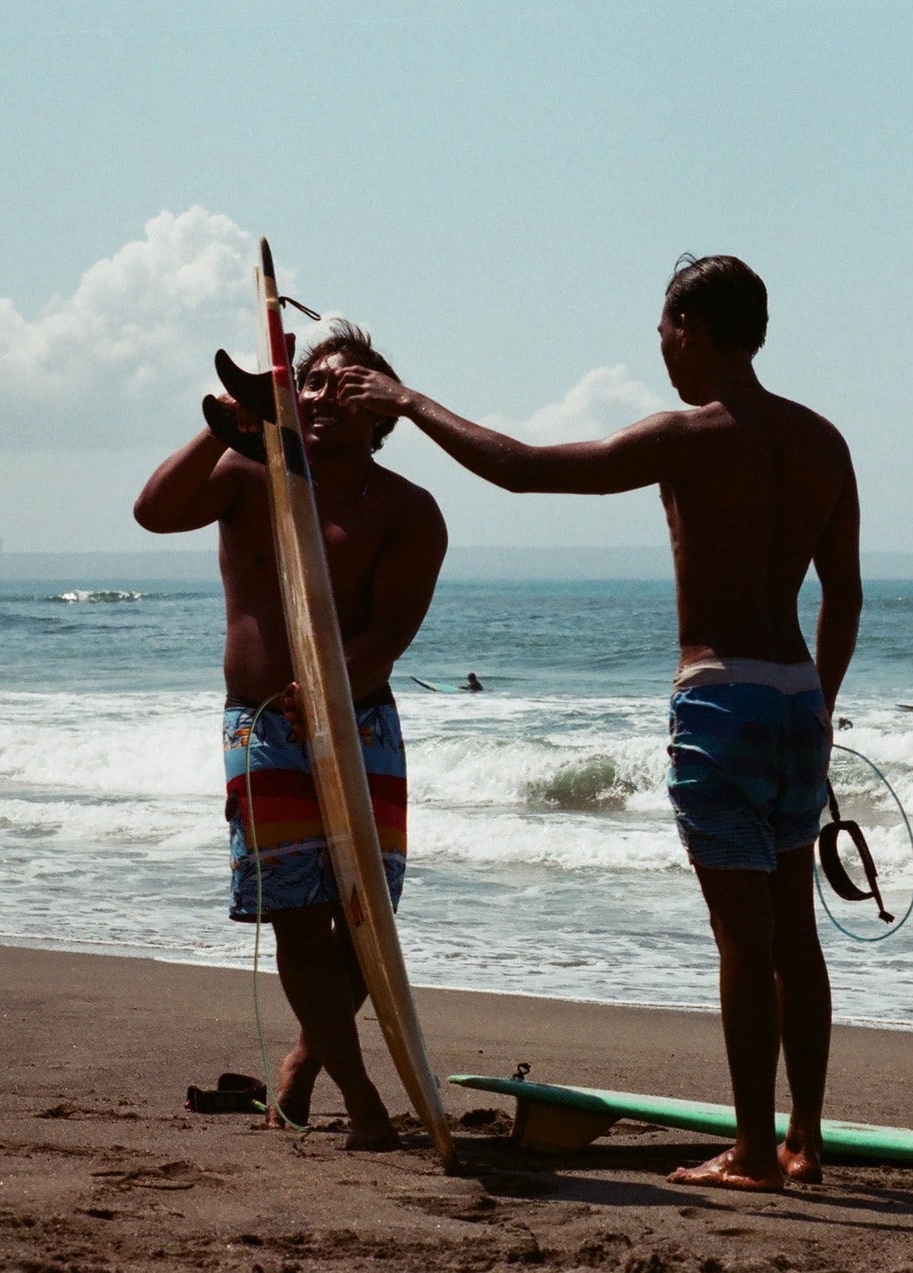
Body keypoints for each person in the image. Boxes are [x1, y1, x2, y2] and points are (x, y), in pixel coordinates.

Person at [340, 254, 860, 1193]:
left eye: (662, 332)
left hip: (723, 693)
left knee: (742, 939)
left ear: (691, 330)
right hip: (796, 699)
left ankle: (752, 1151)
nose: (658, 349)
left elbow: (524, 471)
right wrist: (819, 700)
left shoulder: (688, 436)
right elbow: (845, 594)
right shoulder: (824, 442)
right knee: (795, 935)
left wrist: (408, 401)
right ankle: (806, 1140)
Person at [132, 320, 448, 1151]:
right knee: (300, 915)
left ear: (382, 414)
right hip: (263, 725)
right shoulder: (247, 471)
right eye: (308, 383)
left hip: (359, 720)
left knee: (367, 913)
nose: (318, 396)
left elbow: (391, 630)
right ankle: (365, 1101)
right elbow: (153, 512)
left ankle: (303, 1064)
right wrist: (231, 416)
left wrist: (337, 684)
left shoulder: (409, 510)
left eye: (344, 387)